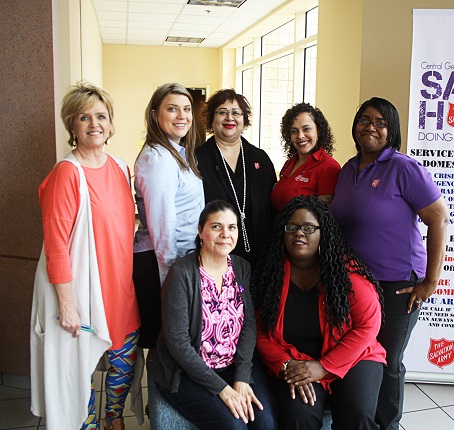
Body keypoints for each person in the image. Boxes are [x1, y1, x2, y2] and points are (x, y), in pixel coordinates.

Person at [330, 97, 450, 430]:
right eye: (364, 120)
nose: (371, 127)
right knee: (361, 355)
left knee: (389, 359)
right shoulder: (348, 169)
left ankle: (388, 425)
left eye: (381, 122)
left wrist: (431, 281)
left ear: (392, 130)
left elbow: (439, 218)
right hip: (355, 284)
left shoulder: (403, 167)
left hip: (399, 284)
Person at [31, 81, 141, 430]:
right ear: (72, 126)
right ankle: (89, 423)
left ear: (110, 124)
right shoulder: (68, 172)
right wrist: (66, 304)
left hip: (119, 287)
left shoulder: (122, 168)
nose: (95, 123)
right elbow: (56, 244)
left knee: (124, 358)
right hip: (79, 292)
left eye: (101, 116)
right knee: (77, 370)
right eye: (84, 117)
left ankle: (113, 418)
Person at [252, 196, 386, 430]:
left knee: (357, 413)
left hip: (352, 357)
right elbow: (258, 332)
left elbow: (368, 327)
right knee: (299, 416)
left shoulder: (347, 277)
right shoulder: (269, 278)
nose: (299, 234)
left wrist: (324, 367)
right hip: (296, 360)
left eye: (308, 228)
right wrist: (286, 365)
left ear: (323, 233)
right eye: (291, 227)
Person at [151, 200, 276, 429]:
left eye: (232, 227)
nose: (225, 234)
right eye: (216, 227)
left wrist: (241, 377)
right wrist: (222, 389)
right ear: (201, 231)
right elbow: (178, 343)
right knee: (235, 426)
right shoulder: (182, 273)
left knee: (265, 424)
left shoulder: (241, 267)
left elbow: (248, 324)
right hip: (189, 371)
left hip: (231, 364)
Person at [133, 83, 205, 349]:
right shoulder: (157, 159)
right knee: (164, 344)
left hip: (177, 260)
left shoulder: (176, 151)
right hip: (160, 263)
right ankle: (157, 392)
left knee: (173, 342)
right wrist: (171, 279)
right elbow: (163, 224)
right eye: (172, 109)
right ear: (155, 115)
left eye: (186, 109)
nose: (182, 116)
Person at [196, 88, 276, 267]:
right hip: (215, 256)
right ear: (211, 119)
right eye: (222, 112)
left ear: (244, 119)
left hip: (261, 255)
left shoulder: (260, 159)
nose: (229, 118)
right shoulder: (197, 158)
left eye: (236, 113)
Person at [270, 103, 341, 212]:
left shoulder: (328, 167)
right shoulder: (289, 163)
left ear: (319, 131)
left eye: (306, 129)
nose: (300, 136)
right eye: (294, 131)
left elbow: (323, 217)